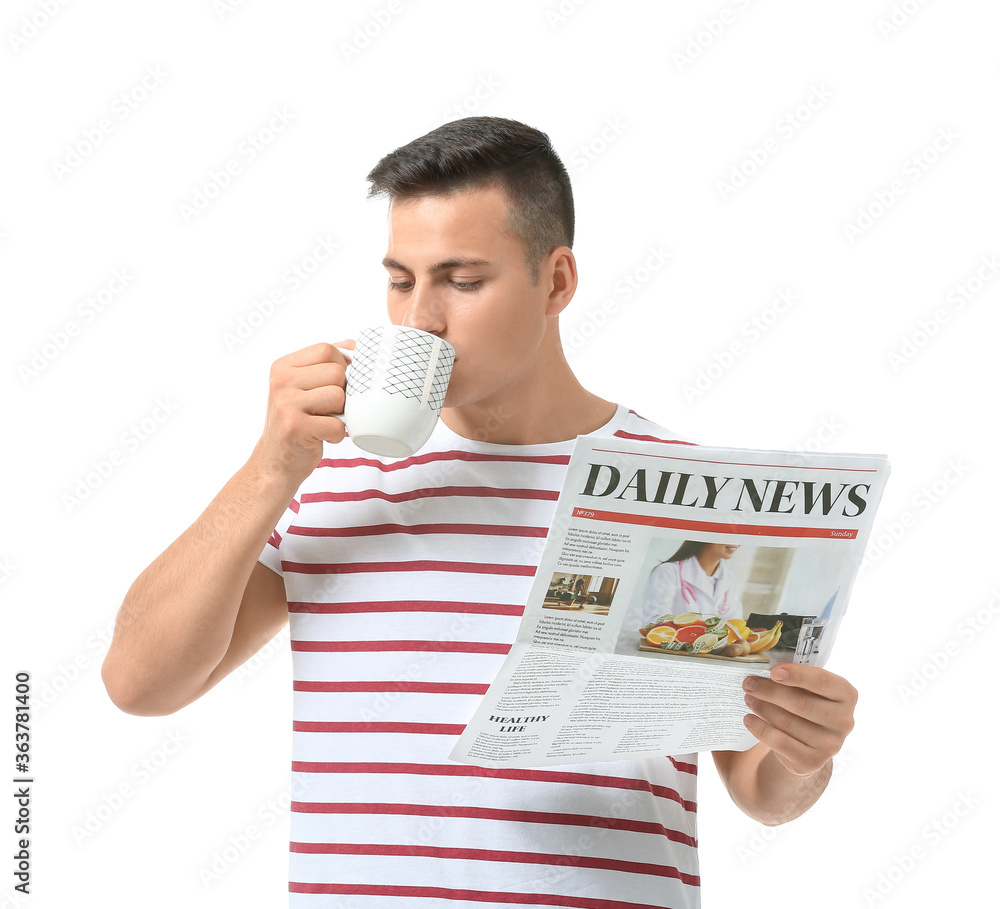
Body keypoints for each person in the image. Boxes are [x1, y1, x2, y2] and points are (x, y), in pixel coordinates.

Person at [102, 116, 858, 908]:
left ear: (557, 281)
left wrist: (802, 751)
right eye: (401, 280)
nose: (420, 318)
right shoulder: (323, 474)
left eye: (462, 281)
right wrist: (271, 465)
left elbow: (760, 789)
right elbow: (138, 682)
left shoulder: (683, 496)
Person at [643, 541, 744, 620]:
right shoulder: (668, 571)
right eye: (731, 533)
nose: (738, 542)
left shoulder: (730, 578)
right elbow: (655, 620)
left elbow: (735, 623)